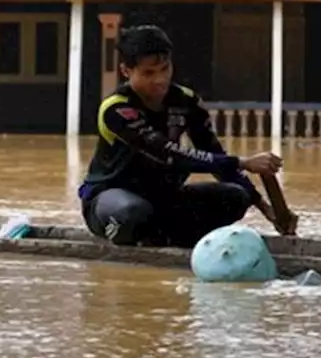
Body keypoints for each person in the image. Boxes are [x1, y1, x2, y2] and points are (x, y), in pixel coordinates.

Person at [78, 24, 284, 247]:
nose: (160, 80)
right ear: (126, 71)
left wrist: (265, 208)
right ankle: (134, 235)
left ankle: (170, 239)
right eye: (148, 73)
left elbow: (213, 155)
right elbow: (167, 153)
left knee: (235, 198)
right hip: (112, 199)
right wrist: (244, 162)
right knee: (131, 214)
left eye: (165, 69)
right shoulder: (116, 109)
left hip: (163, 199)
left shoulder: (186, 101)